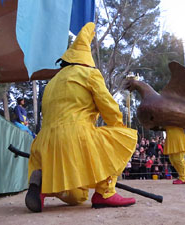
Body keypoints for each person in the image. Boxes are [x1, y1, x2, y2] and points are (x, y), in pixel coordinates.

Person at [25, 23, 137, 213]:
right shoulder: (89, 73)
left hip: (43, 145)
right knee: (125, 136)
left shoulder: (53, 82)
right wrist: (116, 132)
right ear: (87, 57)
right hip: (75, 138)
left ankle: (42, 187)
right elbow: (109, 108)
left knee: (79, 197)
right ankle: (105, 192)